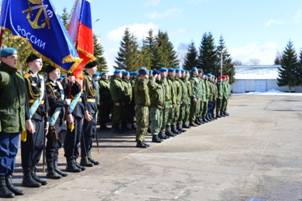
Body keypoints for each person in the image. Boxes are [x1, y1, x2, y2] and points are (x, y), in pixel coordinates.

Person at [0, 47, 30, 198]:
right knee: (3, 153)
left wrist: (27, 120)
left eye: (16, 56)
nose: (15, 59)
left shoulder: (18, 75)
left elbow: (23, 102)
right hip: (4, 122)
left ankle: (8, 181)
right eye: (12, 57)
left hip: (16, 122)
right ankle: (1, 184)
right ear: (3, 58)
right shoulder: (2, 76)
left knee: (12, 153)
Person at [21, 54, 48, 188]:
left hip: (41, 115)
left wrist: (47, 119)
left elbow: (45, 101)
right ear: (30, 63)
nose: (41, 64)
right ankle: (27, 176)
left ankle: (33, 173)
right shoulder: (25, 78)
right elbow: (24, 101)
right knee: (29, 147)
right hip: (32, 116)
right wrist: (27, 119)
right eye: (38, 61)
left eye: (41, 61)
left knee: (38, 146)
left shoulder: (41, 79)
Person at [45, 65, 68, 179]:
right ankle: (50, 170)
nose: (58, 73)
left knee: (58, 143)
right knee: (52, 144)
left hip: (60, 117)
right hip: (52, 117)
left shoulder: (58, 85)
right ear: (50, 73)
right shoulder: (47, 85)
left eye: (59, 71)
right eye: (56, 71)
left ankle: (55, 167)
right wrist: (64, 102)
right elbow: (53, 102)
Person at [64, 73, 85, 172]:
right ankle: (70, 162)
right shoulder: (65, 85)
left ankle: (75, 160)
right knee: (71, 139)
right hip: (71, 115)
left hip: (79, 113)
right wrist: (69, 82)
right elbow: (66, 99)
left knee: (77, 139)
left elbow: (80, 93)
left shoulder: (76, 84)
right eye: (72, 75)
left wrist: (75, 82)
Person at [81, 61, 99, 167]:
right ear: (89, 68)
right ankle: (84, 158)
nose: (96, 69)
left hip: (93, 106)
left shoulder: (91, 79)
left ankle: (89, 155)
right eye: (94, 67)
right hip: (88, 106)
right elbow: (84, 96)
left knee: (91, 133)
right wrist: (86, 111)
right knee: (86, 133)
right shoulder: (84, 78)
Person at [134, 67, 150, 148]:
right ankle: (140, 141)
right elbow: (142, 89)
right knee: (142, 123)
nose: (147, 76)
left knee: (142, 123)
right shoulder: (140, 81)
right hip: (141, 106)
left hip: (143, 105)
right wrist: (145, 80)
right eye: (146, 74)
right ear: (143, 75)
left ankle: (141, 139)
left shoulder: (141, 81)